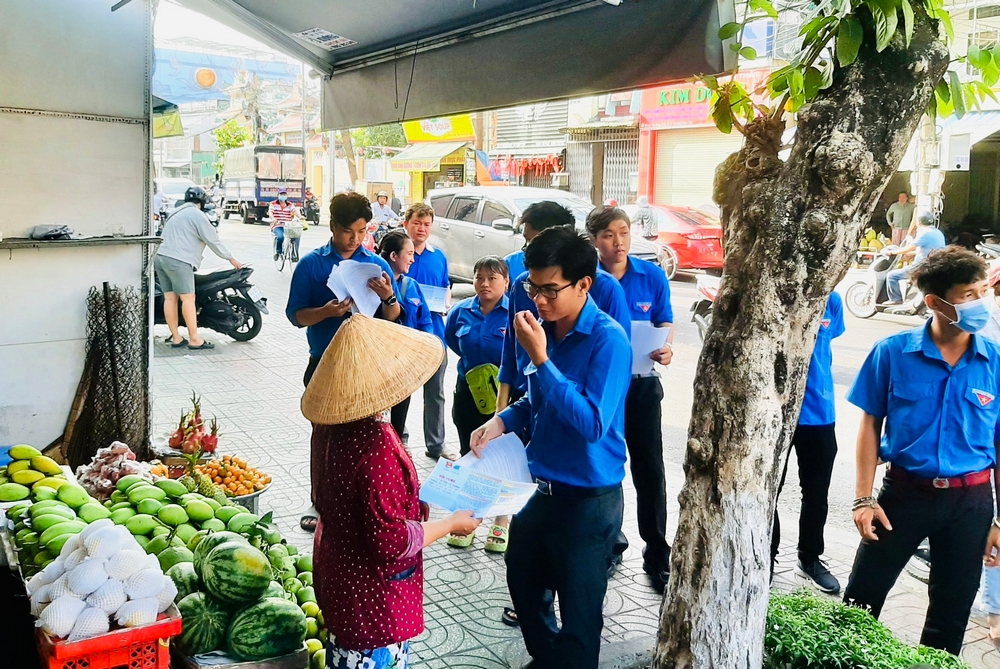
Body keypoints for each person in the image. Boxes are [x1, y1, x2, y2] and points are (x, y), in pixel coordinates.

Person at [470, 227, 632, 669]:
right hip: (537, 490)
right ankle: (547, 659)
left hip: (587, 502)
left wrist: (541, 360)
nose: (538, 300)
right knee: (524, 585)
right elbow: (535, 400)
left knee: (580, 613)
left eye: (549, 290)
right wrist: (500, 421)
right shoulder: (543, 330)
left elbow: (592, 424)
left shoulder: (609, 341)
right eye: (533, 288)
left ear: (583, 284)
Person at [843, 246, 1000, 655]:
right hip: (903, 496)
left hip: (971, 503)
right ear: (935, 302)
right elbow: (869, 426)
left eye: (984, 291)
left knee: (951, 613)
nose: (982, 302)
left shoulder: (995, 361)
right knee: (860, 602)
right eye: (969, 295)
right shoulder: (892, 353)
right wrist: (863, 499)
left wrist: (999, 521)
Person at [301, 314, 481, 669]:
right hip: (371, 598)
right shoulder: (378, 446)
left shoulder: (327, 427)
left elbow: (354, 500)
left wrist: (415, 495)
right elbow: (391, 542)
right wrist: (450, 524)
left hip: (339, 581)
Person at [287, 191, 402, 532]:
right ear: (333, 226)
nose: (355, 239)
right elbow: (296, 316)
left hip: (367, 366)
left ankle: (361, 502)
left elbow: (394, 316)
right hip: (325, 363)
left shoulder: (377, 265)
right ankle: (319, 501)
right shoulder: (311, 264)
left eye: (362, 231)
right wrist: (326, 312)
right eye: (348, 231)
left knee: (369, 437)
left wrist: (388, 296)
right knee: (324, 437)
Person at [587, 206, 674, 591]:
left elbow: (664, 321)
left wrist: (666, 347)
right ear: (594, 240)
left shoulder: (651, 275)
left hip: (641, 385)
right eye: (608, 235)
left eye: (623, 232)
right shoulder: (587, 279)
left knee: (650, 469)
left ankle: (657, 552)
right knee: (607, 465)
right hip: (603, 388)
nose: (618, 241)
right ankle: (611, 545)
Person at [770, 291, 846, 593]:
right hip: (774, 412)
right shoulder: (775, 291)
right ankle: (766, 554)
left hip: (819, 411)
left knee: (816, 493)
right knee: (768, 490)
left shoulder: (832, 300)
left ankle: (809, 557)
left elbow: (828, 342)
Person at [444, 256, 510, 551]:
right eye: (479, 277)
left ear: (506, 282)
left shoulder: (516, 313)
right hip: (468, 392)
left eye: (492, 278)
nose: (484, 284)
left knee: (502, 457)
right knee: (470, 453)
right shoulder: (460, 312)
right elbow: (452, 341)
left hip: (506, 396)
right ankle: (468, 518)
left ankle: (502, 521)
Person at [154, 185, 242, 351]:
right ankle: (194, 339)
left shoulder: (175, 212)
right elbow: (212, 240)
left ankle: (177, 338)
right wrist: (230, 258)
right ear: (202, 201)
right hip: (178, 260)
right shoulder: (197, 214)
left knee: (170, 298)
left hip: (160, 257)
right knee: (188, 299)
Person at [402, 203, 455, 460]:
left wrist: (446, 302)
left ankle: (436, 444)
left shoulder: (438, 257)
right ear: (406, 224)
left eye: (426, 224)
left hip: (434, 334)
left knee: (436, 393)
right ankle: (399, 442)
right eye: (417, 223)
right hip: (403, 335)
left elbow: (446, 288)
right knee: (399, 392)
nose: (421, 229)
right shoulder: (397, 254)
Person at [379, 229, 433, 443]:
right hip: (378, 363)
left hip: (404, 363)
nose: (412, 259)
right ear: (394, 256)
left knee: (399, 414)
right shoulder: (372, 284)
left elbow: (425, 320)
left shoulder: (412, 286)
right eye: (409, 254)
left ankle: (398, 446)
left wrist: (427, 349)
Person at [884, 211, 945, 305]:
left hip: (921, 267)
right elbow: (926, 250)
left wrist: (891, 252)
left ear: (919, 222)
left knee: (892, 275)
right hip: (932, 265)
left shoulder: (925, 233)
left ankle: (896, 300)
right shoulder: (938, 232)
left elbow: (909, 247)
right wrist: (911, 254)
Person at [270, 188, 299, 260]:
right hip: (278, 225)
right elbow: (270, 212)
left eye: (284, 194)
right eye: (281, 194)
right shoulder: (273, 204)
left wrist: (300, 216)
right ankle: (278, 252)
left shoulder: (290, 204)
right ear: (278, 195)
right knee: (280, 237)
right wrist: (273, 218)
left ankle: (294, 254)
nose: (283, 196)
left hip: (288, 226)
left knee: (296, 236)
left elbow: (295, 211)